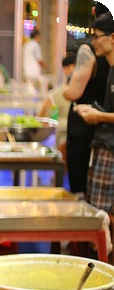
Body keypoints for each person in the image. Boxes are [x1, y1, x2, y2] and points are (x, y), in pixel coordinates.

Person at [62, 2, 111, 196]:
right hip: (104, 127)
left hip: (87, 125)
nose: (95, 40)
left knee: (82, 188)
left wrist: (64, 90)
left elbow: (73, 92)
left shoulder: (88, 50)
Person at [75, 13, 114, 216]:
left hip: (109, 148)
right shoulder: (111, 69)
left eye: (97, 36)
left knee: (102, 214)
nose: (93, 42)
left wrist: (99, 116)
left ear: (112, 38)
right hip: (104, 144)